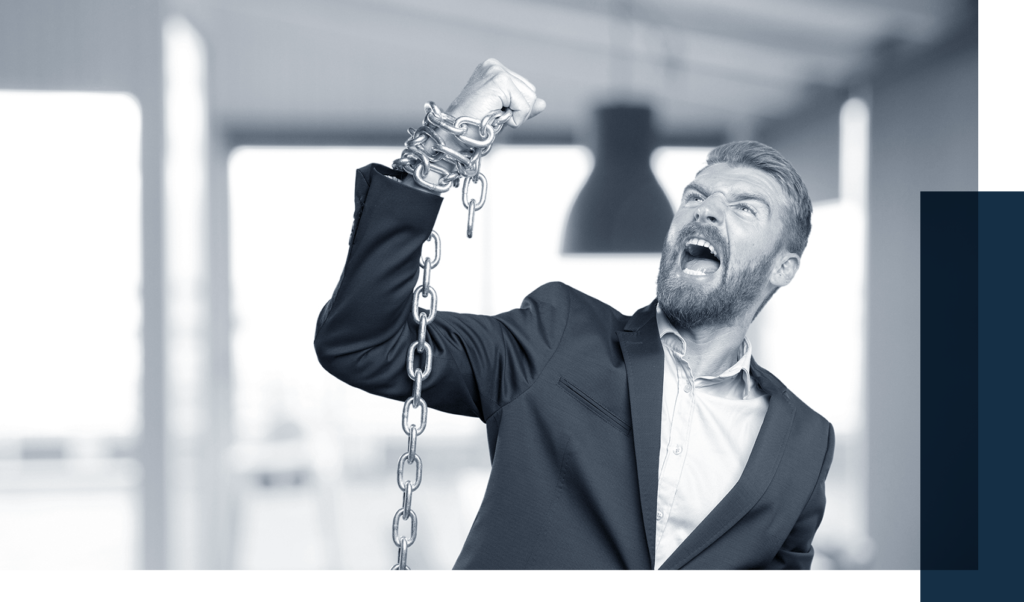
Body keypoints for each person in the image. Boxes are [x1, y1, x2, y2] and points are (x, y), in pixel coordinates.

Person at [314, 59, 834, 571]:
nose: (707, 210)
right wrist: (445, 145)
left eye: (745, 208)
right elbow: (363, 344)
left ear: (783, 267)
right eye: (696, 196)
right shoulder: (559, 335)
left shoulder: (805, 443)